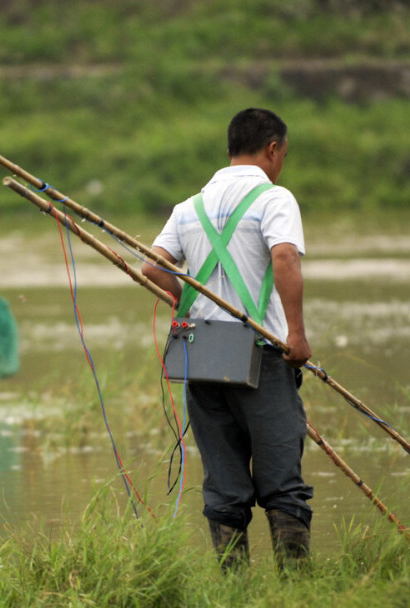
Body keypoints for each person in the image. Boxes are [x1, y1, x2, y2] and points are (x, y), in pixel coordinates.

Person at [142, 108, 313, 572]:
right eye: (283, 154)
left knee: (223, 484)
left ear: (229, 151)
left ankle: (233, 591)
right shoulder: (274, 199)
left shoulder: (188, 208)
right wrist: (296, 334)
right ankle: (298, 590)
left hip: (201, 355)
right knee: (282, 482)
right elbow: (284, 257)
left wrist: (190, 308)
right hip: (263, 355)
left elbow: (151, 266)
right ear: (273, 149)